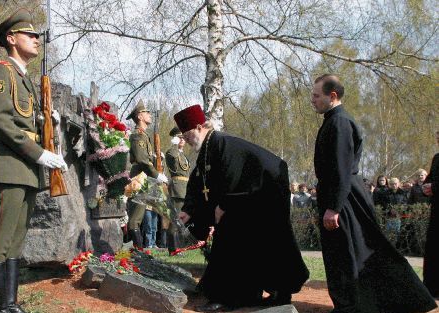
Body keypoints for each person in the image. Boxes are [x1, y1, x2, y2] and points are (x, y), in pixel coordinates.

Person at [312, 74, 436, 313]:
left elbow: (341, 167)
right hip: (345, 195)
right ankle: (355, 304)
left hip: (344, 198)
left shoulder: (339, 123)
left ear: (333, 96)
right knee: (353, 250)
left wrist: (334, 207)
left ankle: (351, 306)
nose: (312, 100)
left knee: (348, 252)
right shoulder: (334, 120)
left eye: (316, 95)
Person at [174, 105, 309, 311]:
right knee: (240, 243)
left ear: (200, 127)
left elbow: (234, 176)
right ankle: (243, 294)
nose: (186, 139)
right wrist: (189, 209)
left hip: (265, 195)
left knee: (246, 241)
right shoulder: (207, 149)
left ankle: (235, 297)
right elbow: (198, 182)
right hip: (244, 200)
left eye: (187, 133)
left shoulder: (224, 144)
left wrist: (223, 205)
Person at [0, 8, 67, 313]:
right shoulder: (1, 71)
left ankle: (10, 302)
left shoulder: (26, 79)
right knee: (1, 238)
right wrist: (39, 153)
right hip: (11, 164)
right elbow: (0, 121)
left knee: (17, 241)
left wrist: (49, 122)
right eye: (29, 35)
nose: (36, 39)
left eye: (36, 35)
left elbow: (29, 122)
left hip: (29, 170)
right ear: (11, 38)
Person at [126, 100, 168, 248]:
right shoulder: (138, 136)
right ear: (139, 116)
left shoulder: (144, 136)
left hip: (145, 178)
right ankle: (138, 252)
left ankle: (174, 244)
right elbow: (142, 160)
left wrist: (156, 159)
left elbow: (146, 158)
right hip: (140, 179)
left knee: (165, 210)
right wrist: (157, 175)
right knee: (135, 219)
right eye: (146, 112)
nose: (149, 114)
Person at [163, 126, 190, 253]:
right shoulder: (171, 152)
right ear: (174, 139)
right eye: (179, 137)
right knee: (175, 220)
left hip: (185, 189)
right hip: (177, 189)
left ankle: (180, 247)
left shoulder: (183, 155)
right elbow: (172, 163)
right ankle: (173, 249)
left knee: (181, 220)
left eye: (183, 137)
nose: (182, 140)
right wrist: (174, 146)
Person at [423, 130, 439, 298]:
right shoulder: (437, 158)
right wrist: (427, 186)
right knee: (433, 247)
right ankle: (431, 286)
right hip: (436, 211)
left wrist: (434, 188)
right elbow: (430, 178)